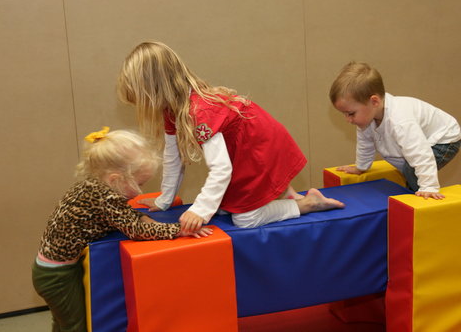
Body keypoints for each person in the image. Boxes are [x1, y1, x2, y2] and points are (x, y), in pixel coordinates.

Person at [117, 41, 344, 233]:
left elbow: (221, 169)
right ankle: (289, 195)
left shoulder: (200, 112)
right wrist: (164, 201)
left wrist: (200, 210)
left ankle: (307, 204)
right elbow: (172, 157)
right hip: (249, 148)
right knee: (225, 207)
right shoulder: (173, 110)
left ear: (153, 90)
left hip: (260, 147)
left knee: (245, 219)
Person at [32, 127, 212, 332]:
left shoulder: (92, 185)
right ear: (115, 179)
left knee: (64, 321)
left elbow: (121, 215)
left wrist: (141, 215)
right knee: (75, 326)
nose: (141, 190)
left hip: (52, 269)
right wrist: (178, 230)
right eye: (140, 183)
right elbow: (136, 231)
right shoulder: (106, 197)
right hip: (57, 275)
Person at [330, 61, 461, 199]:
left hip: (445, 137)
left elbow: (421, 154)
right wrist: (361, 167)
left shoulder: (400, 121)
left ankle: (417, 200)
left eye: (350, 113)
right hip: (421, 140)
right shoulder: (367, 120)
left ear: (374, 101)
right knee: (408, 168)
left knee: (411, 170)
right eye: (344, 114)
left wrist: (429, 187)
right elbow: (365, 145)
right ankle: (411, 193)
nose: (348, 120)